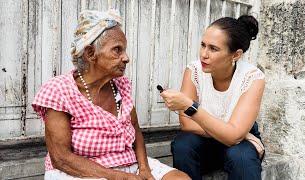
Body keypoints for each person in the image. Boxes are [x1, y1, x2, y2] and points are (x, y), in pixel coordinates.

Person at [32, 10, 190, 180]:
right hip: (81, 171)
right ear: (91, 53)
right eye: (117, 50)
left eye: (124, 50)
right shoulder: (59, 90)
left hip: (128, 165)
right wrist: (119, 176)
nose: (126, 58)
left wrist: (144, 169)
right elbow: (61, 158)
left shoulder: (120, 86)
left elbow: (135, 130)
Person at [160, 15, 265, 180]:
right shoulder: (193, 70)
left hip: (241, 145)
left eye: (213, 49)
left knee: (242, 158)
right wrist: (230, 132)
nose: (204, 54)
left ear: (236, 55)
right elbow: (187, 124)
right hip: (206, 143)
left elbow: (234, 138)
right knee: (183, 145)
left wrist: (190, 106)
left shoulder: (252, 77)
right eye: (203, 45)